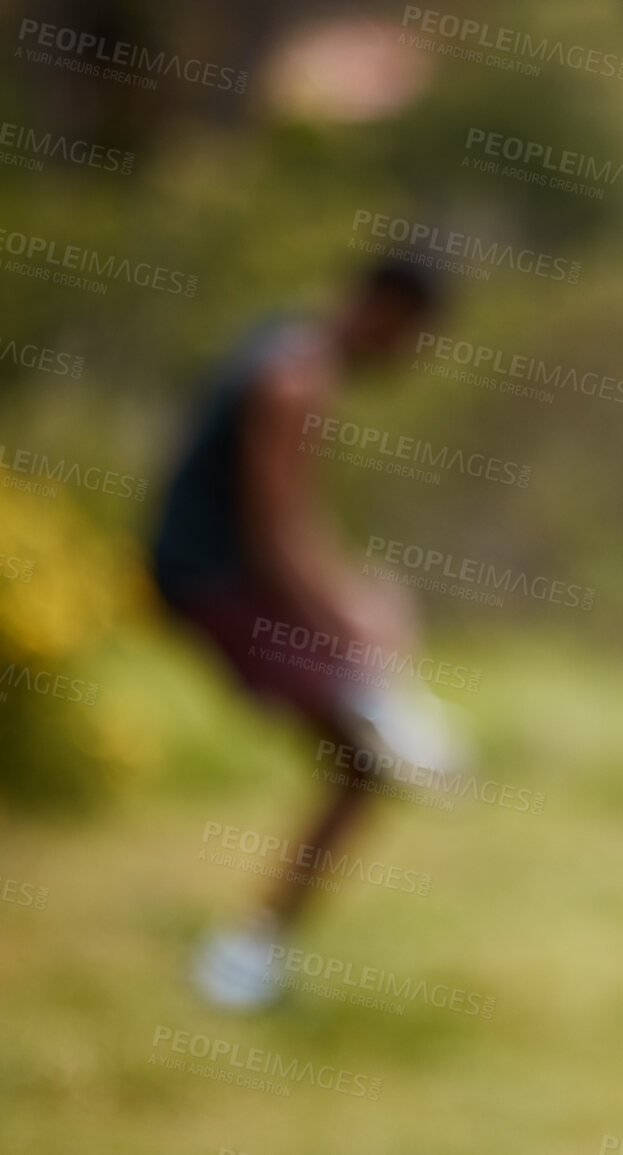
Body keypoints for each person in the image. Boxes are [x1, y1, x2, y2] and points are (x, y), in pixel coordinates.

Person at [152, 259, 451, 1010]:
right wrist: (350, 622)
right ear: (388, 312)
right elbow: (275, 537)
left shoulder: (288, 343)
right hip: (211, 584)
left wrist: (356, 593)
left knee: (363, 744)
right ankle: (244, 961)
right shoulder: (294, 380)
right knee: (361, 761)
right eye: (414, 339)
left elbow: (295, 526)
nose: (409, 359)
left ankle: (252, 952)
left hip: (223, 578)